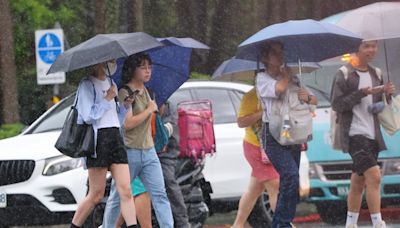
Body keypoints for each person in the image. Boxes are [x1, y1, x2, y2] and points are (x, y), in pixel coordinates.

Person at [102, 53, 174, 228]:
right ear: (133, 70)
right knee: (118, 196)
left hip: (149, 152)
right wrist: (149, 110)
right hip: (129, 152)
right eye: (143, 67)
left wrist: (155, 109)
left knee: (160, 195)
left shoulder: (148, 91)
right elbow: (127, 124)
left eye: (150, 67)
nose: (148, 71)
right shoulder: (124, 92)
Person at [331, 40, 395, 228]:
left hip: (372, 134)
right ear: (356, 48)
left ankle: (350, 223)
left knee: (358, 180)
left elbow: (380, 105)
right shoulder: (344, 73)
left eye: (374, 46)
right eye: (366, 46)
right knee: (374, 176)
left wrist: (388, 93)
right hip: (353, 134)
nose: (371, 50)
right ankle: (378, 223)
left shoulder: (377, 73)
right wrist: (360, 93)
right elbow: (337, 104)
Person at [256, 41, 317, 228]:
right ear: (266, 57)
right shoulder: (262, 78)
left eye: (282, 52)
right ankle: (281, 223)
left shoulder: (294, 79)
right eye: (275, 53)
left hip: (293, 133)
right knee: (290, 175)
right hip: (273, 135)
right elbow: (278, 89)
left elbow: (313, 100)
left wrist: (305, 96)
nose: (280, 56)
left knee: (292, 181)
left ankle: (285, 221)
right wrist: (287, 76)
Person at [70, 61, 137, 228]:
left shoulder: (111, 83)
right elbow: (87, 116)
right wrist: (107, 98)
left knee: (126, 190)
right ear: (100, 63)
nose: (113, 63)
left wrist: (125, 105)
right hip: (98, 140)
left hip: (115, 137)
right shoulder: (87, 85)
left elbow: (116, 118)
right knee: (96, 194)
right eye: (110, 60)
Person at [232, 87, 280, 228]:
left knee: (254, 190)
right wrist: (262, 113)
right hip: (256, 148)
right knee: (275, 187)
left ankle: (238, 225)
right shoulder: (251, 96)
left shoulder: (277, 94)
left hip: (272, 148)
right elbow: (241, 122)